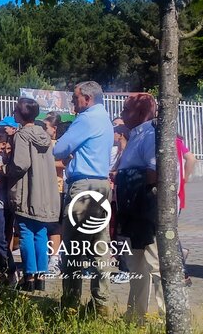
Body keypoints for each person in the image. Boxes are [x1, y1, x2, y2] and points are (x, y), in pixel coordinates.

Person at [52, 81, 114, 314]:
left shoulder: (86, 118)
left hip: (83, 185)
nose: (73, 102)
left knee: (73, 248)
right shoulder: (104, 117)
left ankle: (70, 302)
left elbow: (59, 149)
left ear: (87, 99)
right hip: (101, 184)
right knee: (99, 245)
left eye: (75, 97)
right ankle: (101, 302)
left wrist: (68, 153)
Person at [113, 93, 162, 322]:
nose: (122, 114)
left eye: (126, 109)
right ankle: (135, 315)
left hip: (146, 208)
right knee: (136, 264)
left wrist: (130, 180)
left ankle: (165, 316)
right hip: (133, 209)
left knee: (155, 263)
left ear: (141, 113)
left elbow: (155, 172)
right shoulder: (136, 135)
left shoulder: (150, 134)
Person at [6, 97, 59, 291]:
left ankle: (29, 276)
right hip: (45, 192)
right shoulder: (44, 134)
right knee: (41, 232)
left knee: (26, 232)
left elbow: (20, 164)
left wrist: (3, 169)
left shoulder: (22, 135)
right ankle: (41, 277)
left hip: (27, 191)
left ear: (20, 113)